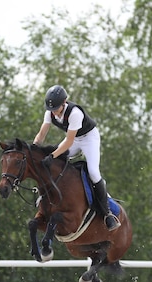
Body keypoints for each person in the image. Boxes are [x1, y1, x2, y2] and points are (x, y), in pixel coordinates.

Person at [33, 85, 121, 231]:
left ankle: (107, 213)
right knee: (53, 163)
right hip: (74, 139)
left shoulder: (75, 113)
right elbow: (42, 133)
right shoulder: (50, 113)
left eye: (56, 108)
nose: (54, 112)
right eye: (51, 109)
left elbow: (68, 141)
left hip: (89, 139)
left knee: (93, 172)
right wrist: (35, 147)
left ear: (64, 102)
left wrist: (52, 155)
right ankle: (47, 196)